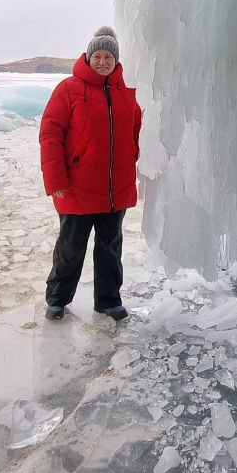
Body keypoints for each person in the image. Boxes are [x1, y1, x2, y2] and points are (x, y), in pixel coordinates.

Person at [39, 27, 142, 322]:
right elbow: (50, 134)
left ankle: (109, 301)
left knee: (110, 249)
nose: (102, 61)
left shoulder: (127, 93)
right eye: (97, 55)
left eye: (108, 56)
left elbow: (138, 134)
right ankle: (57, 299)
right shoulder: (69, 89)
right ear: (88, 57)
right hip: (77, 187)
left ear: (116, 59)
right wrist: (55, 179)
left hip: (115, 188)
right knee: (70, 248)